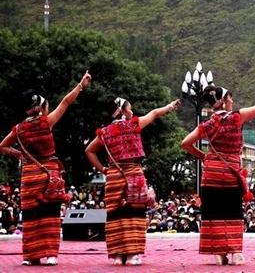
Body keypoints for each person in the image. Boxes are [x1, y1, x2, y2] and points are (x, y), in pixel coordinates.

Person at [182, 85, 255, 266]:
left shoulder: (206, 125)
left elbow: (185, 143)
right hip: (231, 172)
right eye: (230, 98)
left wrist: (203, 156)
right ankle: (236, 252)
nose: (232, 101)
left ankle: (219, 253)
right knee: (232, 211)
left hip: (211, 174)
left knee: (214, 212)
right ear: (224, 101)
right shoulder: (237, 117)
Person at [0, 71, 92, 266]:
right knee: (50, 214)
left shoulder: (18, 129)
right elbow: (65, 102)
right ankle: (50, 254)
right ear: (40, 107)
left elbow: (2, 146)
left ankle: (30, 256)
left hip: (29, 178)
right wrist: (81, 85)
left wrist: (20, 155)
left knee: (31, 216)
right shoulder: (46, 122)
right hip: (48, 174)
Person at [85, 95, 180, 266]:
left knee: (115, 215)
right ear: (122, 111)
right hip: (133, 175)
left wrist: (103, 169)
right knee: (133, 214)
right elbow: (154, 113)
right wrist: (170, 106)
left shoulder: (104, 132)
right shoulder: (134, 124)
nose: (132, 111)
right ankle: (132, 255)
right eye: (129, 108)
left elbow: (89, 151)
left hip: (113, 177)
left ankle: (118, 256)